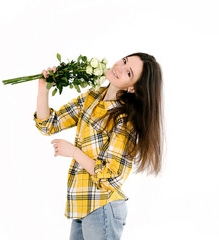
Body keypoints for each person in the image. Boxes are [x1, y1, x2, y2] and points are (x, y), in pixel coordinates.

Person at [33, 52, 164, 240]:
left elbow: (111, 176)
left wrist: (73, 152)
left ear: (133, 88)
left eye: (128, 73)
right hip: (83, 203)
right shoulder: (92, 97)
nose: (120, 67)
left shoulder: (124, 121)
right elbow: (49, 125)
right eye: (125, 61)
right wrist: (43, 91)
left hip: (103, 206)